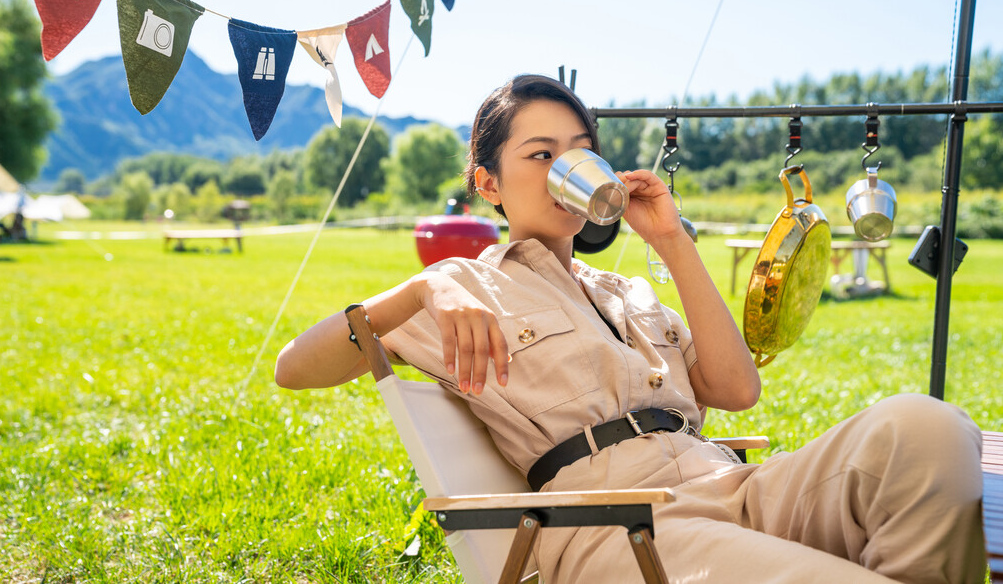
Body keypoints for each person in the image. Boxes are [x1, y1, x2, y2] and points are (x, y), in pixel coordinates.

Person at [275, 74, 985, 583]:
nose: (566, 169)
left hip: (732, 486)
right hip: (619, 524)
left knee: (929, 429)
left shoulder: (627, 289)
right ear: (487, 182)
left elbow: (737, 389)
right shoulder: (463, 288)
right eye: (541, 154)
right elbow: (294, 366)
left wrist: (673, 240)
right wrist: (421, 286)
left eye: (581, 151)